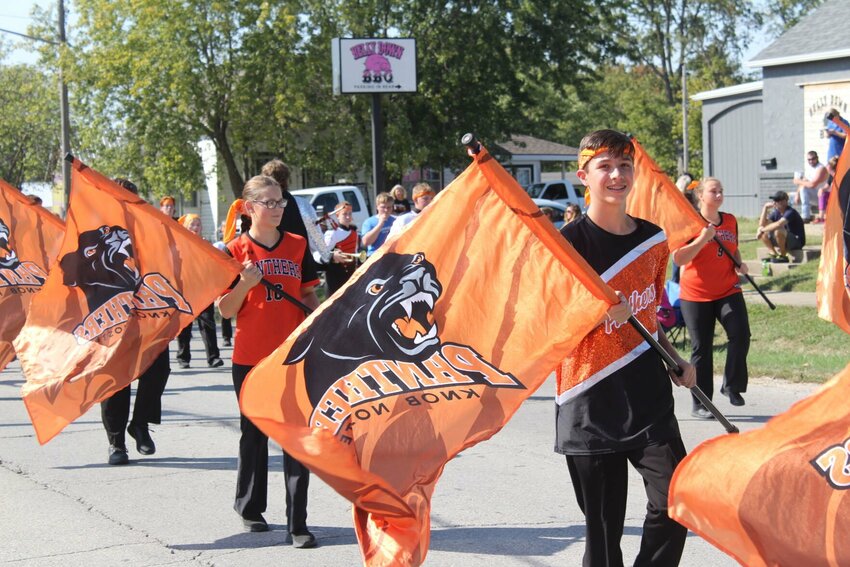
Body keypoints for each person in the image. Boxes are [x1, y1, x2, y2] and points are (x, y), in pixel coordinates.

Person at [556, 129, 696, 567]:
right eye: (604, 167)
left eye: (623, 166)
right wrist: (593, 315)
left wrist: (675, 359)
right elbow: (545, 322)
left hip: (646, 392)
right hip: (588, 399)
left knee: (677, 498)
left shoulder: (654, 240)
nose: (616, 175)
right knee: (602, 532)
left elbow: (650, 313)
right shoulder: (566, 246)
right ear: (584, 175)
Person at [217, 175, 320, 548]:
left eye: (281, 202)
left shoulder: (296, 244)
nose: (277, 209)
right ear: (248, 208)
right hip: (250, 359)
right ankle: (250, 507)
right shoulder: (233, 250)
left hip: (292, 356)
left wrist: (317, 320)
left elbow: (308, 293)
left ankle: (298, 523)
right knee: (255, 434)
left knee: (297, 436)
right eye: (269, 202)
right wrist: (244, 283)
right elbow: (225, 311)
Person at [103, 178, 171, 466]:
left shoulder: (150, 230)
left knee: (158, 369)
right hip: (112, 318)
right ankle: (116, 443)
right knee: (116, 380)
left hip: (149, 316)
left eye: (130, 200)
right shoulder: (97, 232)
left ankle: (140, 423)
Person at [672, 178, 751, 419]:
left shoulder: (730, 220)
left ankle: (731, 385)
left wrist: (739, 262)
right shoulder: (689, 223)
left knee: (741, 334)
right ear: (700, 197)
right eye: (713, 191)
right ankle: (701, 403)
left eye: (721, 191)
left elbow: (732, 247)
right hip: (696, 295)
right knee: (701, 348)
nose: (718, 195)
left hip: (728, 289)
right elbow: (679, 259)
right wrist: (702, 238)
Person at [175, 214, 224, 369]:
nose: (196, 228)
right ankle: (183, 357)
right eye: (192, 225)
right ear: (186, 227)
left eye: (198, 224)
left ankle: (213, 357)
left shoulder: (206, 244)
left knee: (208, 323)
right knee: (184, 326)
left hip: (203, 289)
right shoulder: (180, 244)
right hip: (186, 289)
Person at [317, 201, 359, 294]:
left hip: (350, 274)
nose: (348, 217)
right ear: (337, 215)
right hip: (335, 276)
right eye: (344, 214)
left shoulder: (354, 232)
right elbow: (323, 254)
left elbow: (355, 251)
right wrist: (332, 255)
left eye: (350, 213)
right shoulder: (332, 233)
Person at [757, 190, 805, 263]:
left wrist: (762, 230)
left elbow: (779, 224)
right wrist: (765, 208)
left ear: (785, 201)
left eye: (777, 201)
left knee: (778, 230)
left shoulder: (790, 212)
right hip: (783, 239)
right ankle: (773, 254)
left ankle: (783, 256)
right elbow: (762, 224)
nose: (775, 203)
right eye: (774, 201)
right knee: (764, 231)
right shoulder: (776, 212)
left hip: (796, 242)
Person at [212, 221, 233, 347]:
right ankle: (227, 337)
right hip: (225, 279)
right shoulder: (219, 245)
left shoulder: (240, 241)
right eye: (225, 227)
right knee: (226, 306)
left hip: (238, 278)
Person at [792, 151, 828, 222]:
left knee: (804, 190)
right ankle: (788, 217)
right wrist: (797, 194)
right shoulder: (809, 168)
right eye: (809, 159)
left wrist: (798, 181)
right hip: (814, 195)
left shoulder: (821, 168)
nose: (811, 161)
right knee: (790, 197)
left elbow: (813, 184)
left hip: (823, 196)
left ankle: (806, 216)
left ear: (817, 158)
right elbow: (804, 183)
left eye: (813, 159)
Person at [360, 192, 396, 257]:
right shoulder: (369, 222)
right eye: (383, 207)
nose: (386, 210)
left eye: (389, 207)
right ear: (377, 207)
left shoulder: (396, 220)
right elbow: (365, 242)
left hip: (392, 255)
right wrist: (380, 223)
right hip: (375, 256)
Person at [818, 155, 840, 223]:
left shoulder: (839, 174)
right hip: (833, 194)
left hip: (839, 195)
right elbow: (827, 186)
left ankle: (824, 216)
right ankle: (821, 216)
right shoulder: (831, 175)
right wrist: (821, 189)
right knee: (823, 194)